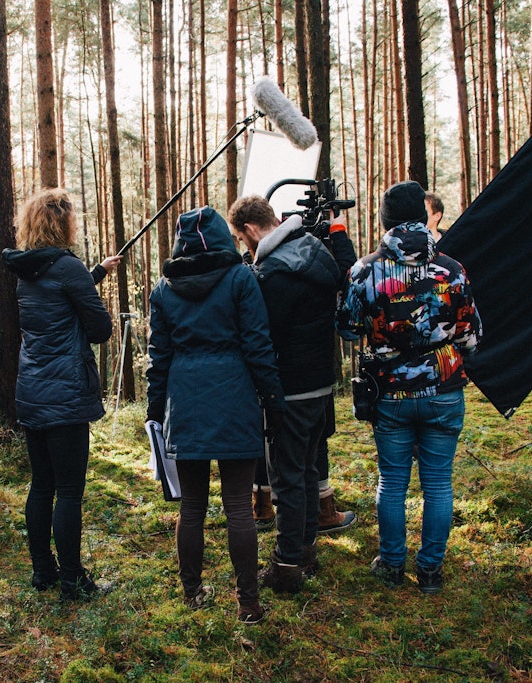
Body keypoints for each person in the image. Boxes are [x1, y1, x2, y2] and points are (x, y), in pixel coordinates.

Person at [339, 180, 481, 594]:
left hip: (391, 394)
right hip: (444, 390)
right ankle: (431, 571)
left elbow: (347, 330)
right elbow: (471, 337)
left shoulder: (365, 270)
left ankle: (392, 564)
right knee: (438, 483)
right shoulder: (452, 270)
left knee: (392, 482)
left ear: (385, 220)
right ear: (423, 217)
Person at [146, 205, 284, 624]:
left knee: (192, 507)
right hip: (235, 398)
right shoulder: (241, 278)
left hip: (185, 403)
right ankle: (248, 603)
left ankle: (192, 593)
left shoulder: (164, 289)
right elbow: (258, 346)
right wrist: (273, 401)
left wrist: (156, 413)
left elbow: (159, 359)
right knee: (239, 507)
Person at [2, 188, 122, 601]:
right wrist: (91, 287)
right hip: (66, 391)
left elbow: (57, 297)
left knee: (42, 485)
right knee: (70, 490)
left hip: (33, 389)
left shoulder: (27, 267)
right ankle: (73, 580)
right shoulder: (67, 267)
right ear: (63, 222)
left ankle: (43, 572)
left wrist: (96, 273)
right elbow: (99, 329)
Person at [228, 195, 343, 594]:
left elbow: (262, 335)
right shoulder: (315, 252)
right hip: (320, 382)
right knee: (308, 470)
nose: (246, 249)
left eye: (243, 241)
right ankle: (306, 550)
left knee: (288, 477)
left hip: (290, 388)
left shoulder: (273, 274)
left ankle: (287, 564)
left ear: (249, 230)